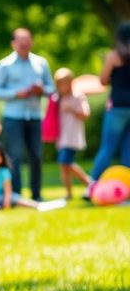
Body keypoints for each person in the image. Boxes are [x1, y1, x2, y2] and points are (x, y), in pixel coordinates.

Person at [0, 28, 56, 201]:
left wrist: (42, 90)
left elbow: (52, 89)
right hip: (13, 117)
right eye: (20, 40)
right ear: (13, 43)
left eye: (27, 40)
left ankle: (36, 194)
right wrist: (16, 93)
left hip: (34, 116)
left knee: (36, 156)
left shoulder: (41, 63)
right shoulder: (5, 65)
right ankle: (16, 195)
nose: (24, 43)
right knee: (15, 157)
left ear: (31, 42)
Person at [89, 22, 130, 185]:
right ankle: (126, 188)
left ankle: (92, 184)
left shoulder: (114, 56)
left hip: (118, 106)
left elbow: (103, 80)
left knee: (107, 148)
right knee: (128, 151)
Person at [52, 68, 92, 200]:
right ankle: (69, 194)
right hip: (61, 137)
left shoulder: (78, 96)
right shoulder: (57, 98)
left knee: (65, 163)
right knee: (64, 166)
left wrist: (71, 109)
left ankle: (89, 183)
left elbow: (85, 114)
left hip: (73, 136)